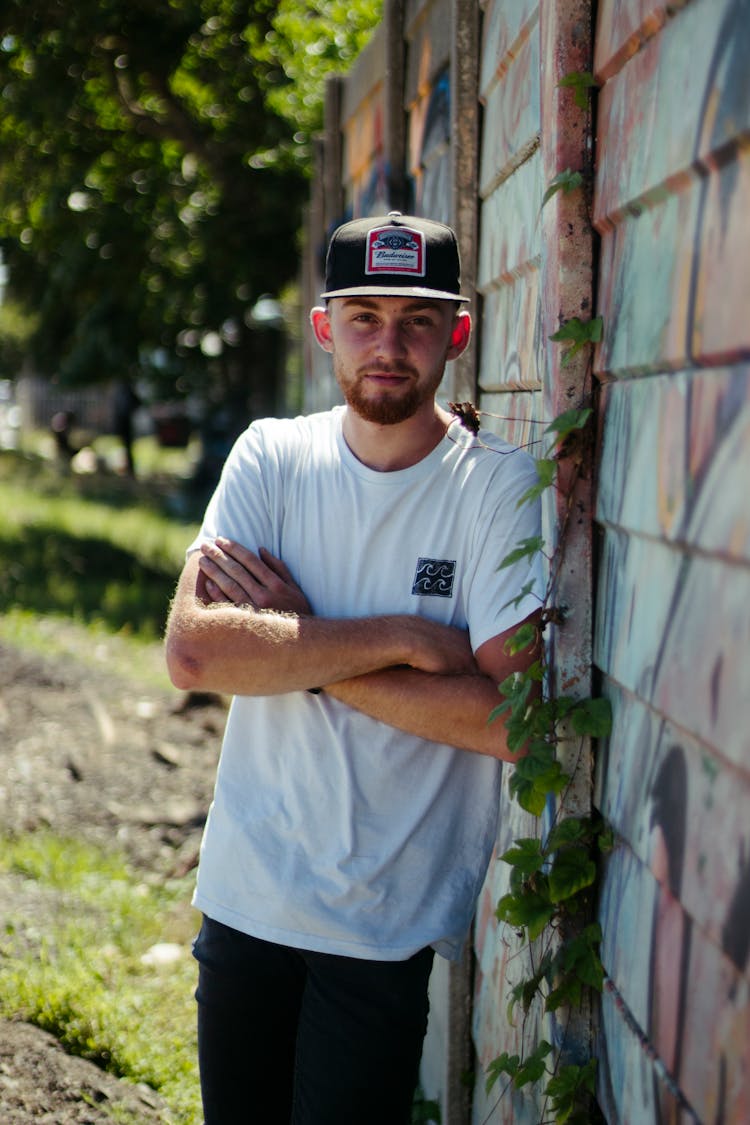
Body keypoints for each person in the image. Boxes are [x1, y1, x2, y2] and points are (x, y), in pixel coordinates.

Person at [165, 211, 544, 1125]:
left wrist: (298, 643)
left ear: (457, 333)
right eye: (365, 316)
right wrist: (404, 634)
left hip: (382, 925)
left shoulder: (494, 486)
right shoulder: (272, 456)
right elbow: (195, 650)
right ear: (325, 327)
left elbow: (508, 722)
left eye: (417, 320)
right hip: (246, 897)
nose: (389, 344)